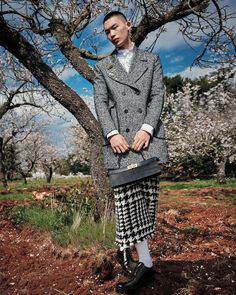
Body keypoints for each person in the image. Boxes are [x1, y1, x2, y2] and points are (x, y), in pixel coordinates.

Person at [93, 11, 168, 293]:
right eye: (107, 32)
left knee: (144, 208)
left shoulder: (152, 60)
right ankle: (142, 262)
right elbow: (100, 102)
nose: (111, 34)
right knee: (128, 206)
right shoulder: (103, 67)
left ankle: (141, 261)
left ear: (128, 25)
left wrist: (147, 128)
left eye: (115, 27)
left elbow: (157, 95)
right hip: (121, 145)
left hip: (145, 141)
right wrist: (112, 134)